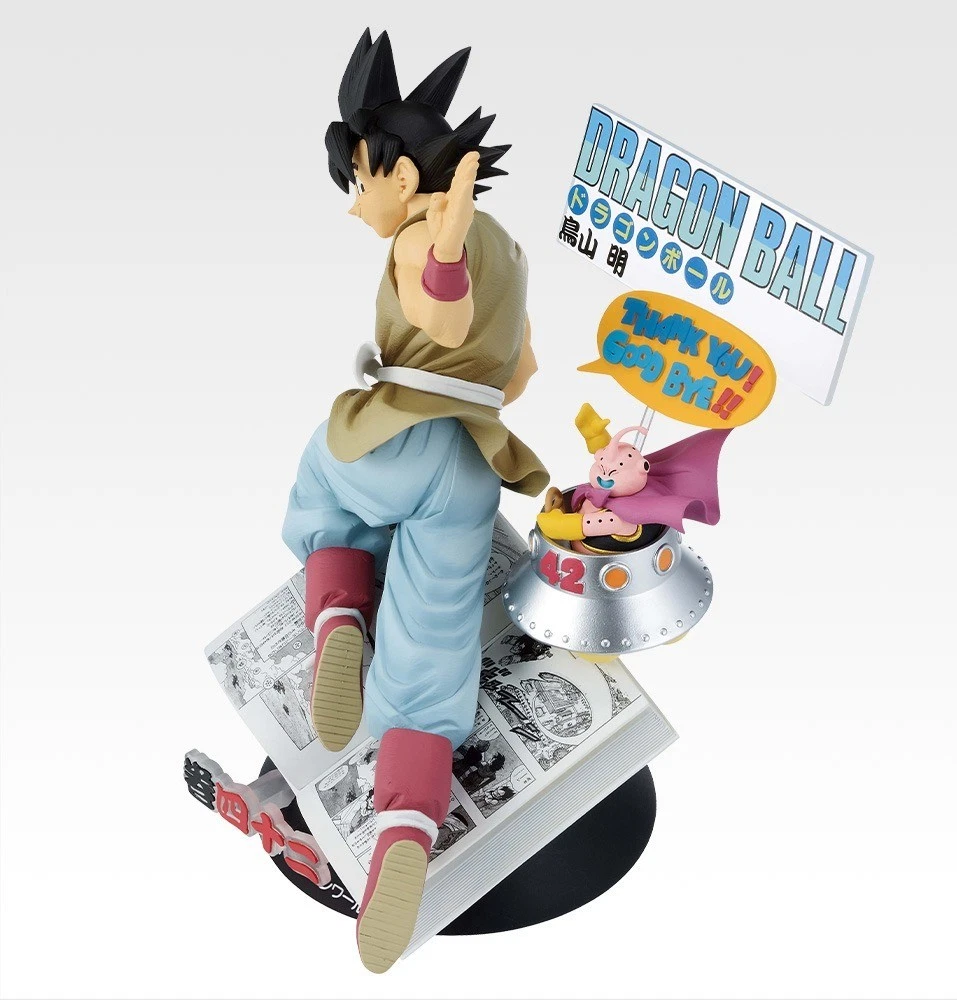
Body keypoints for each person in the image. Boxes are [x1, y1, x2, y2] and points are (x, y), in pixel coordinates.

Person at [280, 28, 547, 973]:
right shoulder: (513, 249)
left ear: (400, 172)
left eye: (359, 180)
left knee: (323, 488)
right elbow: (520, 370)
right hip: (474, 460)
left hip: (398, 429)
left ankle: (339, 609)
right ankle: (405, 826)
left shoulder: (423, 233)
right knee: (434, 646)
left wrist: (441, 253)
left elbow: (441, 308)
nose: (357, 203)